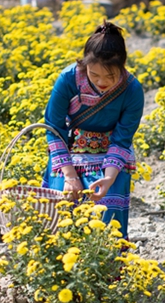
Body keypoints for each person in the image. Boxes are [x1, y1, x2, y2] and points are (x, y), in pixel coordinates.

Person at [42, 22, 144, 239]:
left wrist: (108, 178)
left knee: (106, 207)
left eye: (111, 76)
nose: (102, 82)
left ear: (123, 67)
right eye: (94, 74)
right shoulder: (68, 79)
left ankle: (108, 263)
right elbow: (54, 128)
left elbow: (122, 139)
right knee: (64, 203)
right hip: (71, 148)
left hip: (111, 153)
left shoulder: (132, 90)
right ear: (84, 63)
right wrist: (69, 176)